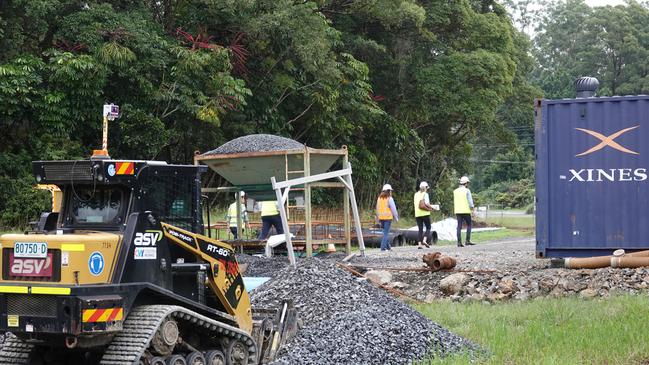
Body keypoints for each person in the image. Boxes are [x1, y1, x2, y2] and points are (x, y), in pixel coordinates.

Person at [454, 176, 476, 247]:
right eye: (467, 183)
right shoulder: (467, 190)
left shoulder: (455, 191)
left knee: (459, 226)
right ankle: (467, 240)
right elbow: (470, 201)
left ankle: (459, 242)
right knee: (469, 225)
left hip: (458, 211)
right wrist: (472, 208)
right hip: (466, 210)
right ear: (466, 183)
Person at [376, 184, 399, 252]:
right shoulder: (390, 199)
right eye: (391, 191)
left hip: (381, 218)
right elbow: (393, 209)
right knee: (386, 233)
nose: (391, 192)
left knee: (385, 232)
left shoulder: (379, 198)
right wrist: (396, 217)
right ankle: (383, 248)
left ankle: (388, 247)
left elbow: (377, 208)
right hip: (388, 218)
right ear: (388, 191)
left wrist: (378, 218)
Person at [414, 181, 434, 249]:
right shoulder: (425, 194)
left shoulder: (416, 194)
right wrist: (432, 207)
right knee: (428, 227)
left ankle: (419, 245)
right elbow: (427, 203)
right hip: (425, 213)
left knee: (420, 229)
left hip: (417, 214)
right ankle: (424, 240)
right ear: (425, 188)